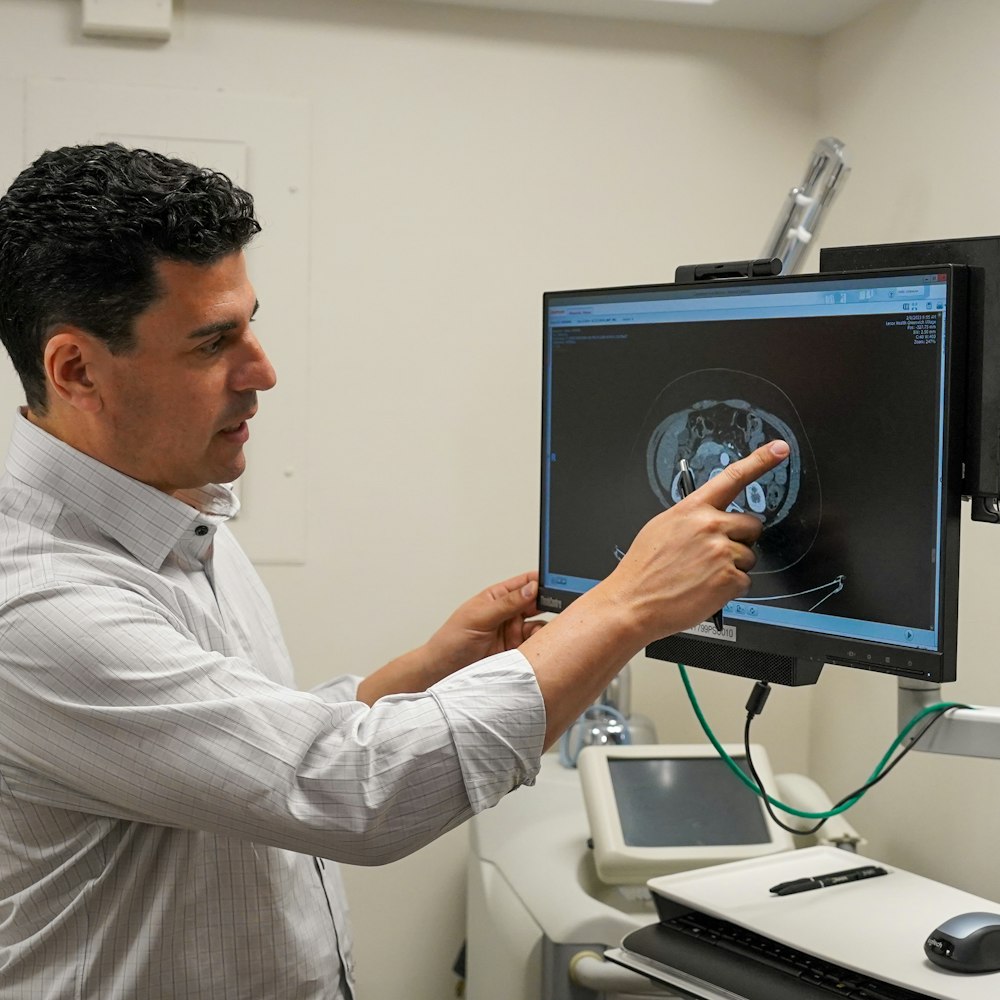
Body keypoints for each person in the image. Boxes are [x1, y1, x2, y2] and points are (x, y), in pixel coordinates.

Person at [0, 143, 788, 999]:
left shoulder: (177, 513)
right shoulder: (38, 601)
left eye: (252, 322)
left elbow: (255, 755)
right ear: (76, 370)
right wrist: (627, 606)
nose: (263, 370)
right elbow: (347, 792)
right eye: (213, 342)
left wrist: (425, 674)